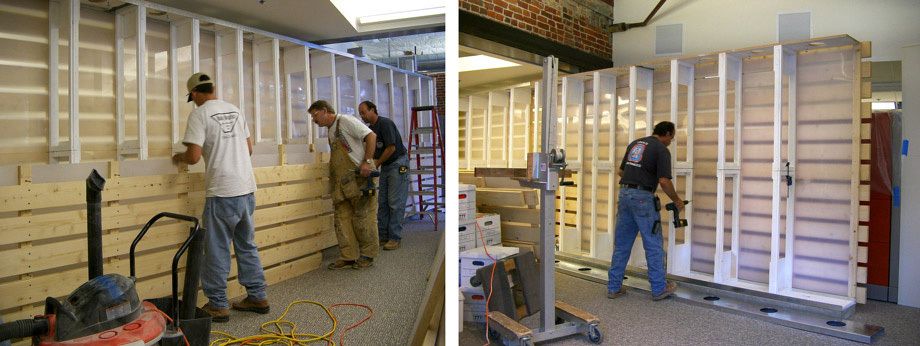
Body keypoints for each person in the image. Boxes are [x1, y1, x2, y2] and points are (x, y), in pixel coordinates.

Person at [173, 73, 269, 322]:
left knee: (215, 249)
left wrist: (178, 157)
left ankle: (217, 304)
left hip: (222, 192)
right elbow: (248, 149)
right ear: (213, 89)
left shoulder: (199, 114)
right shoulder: (235, 110)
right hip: (246, 188)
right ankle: (257, 296)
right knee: (246, 244)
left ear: (194, 94)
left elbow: (193, 156)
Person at [607, 121, 685, 301]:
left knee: (622, 244)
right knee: (653, 243)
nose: (670, 142)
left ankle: (613, 287)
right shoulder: (661, 149)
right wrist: (677, 200)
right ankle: (659, 288)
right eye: (671, 138)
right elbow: (664, 181)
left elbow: (621, 171)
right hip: (642, 198)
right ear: (666, 133)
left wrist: (637, 181)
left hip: (625, 195)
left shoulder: (636, 143)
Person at [309, 100, 380, 269]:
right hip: (342, 181)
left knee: (363, 217)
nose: (314, 120)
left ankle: (367, 255)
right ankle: (348, 256)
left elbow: (371, 136)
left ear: (325, 111)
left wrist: (367, 161)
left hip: (360, 177)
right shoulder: (331, 130)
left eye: (315, 115)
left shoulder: (346, 121)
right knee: (342, 218)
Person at [359, 101, 409, 251]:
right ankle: (383, 236)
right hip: (387, 165)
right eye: (360, 113)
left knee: (395, 201)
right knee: (383, 201)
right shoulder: (370, 130)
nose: (362, 116)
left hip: (397, 163)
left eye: (364, 112)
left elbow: (391, 148)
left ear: (373, 109)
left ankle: (395, 238)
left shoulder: (385, 124)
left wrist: (377, 164)